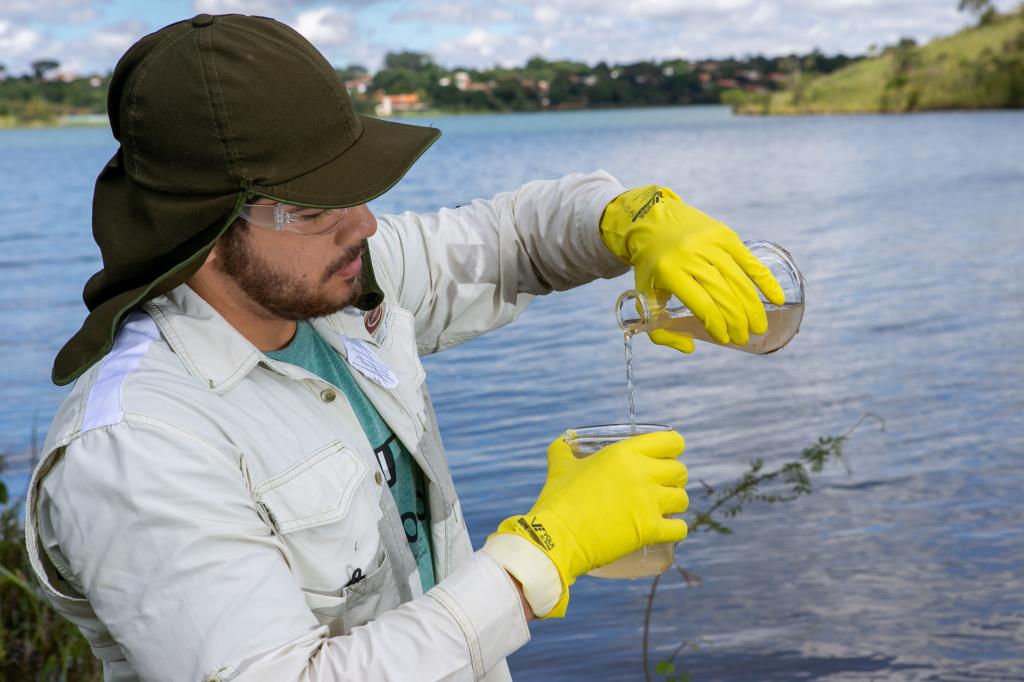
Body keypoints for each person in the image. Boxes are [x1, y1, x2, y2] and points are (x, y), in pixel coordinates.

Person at [23, 13, 784, 682]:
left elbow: (512, 237)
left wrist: (635, 217)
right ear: (207, 226)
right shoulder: (137, 449)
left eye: (356, 184)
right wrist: (540, 558)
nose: (365, 224)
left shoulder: (338, 287)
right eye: (318, 204)